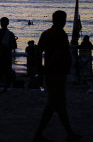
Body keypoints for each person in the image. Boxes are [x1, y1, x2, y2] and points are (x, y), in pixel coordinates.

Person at [33, 10, 81, 142]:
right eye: (64, 20)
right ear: (60, 21)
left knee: (60, 104)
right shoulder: (61, 34)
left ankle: (69, 133)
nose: (65, 23)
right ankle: (39, 135)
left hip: (52, 73)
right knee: (53, 104)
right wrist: (45, 69)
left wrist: (41, 70)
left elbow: (38, 53)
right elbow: (57, 54)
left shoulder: (46, 33)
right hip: (57, 73)